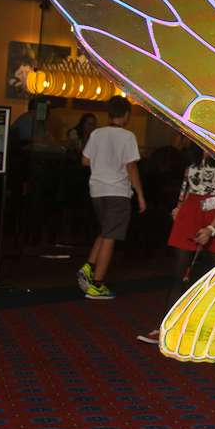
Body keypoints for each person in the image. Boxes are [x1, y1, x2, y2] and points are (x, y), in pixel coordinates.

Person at [137, 145, 215, 344]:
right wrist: (179, 207)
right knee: (178, 275)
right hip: (191, 210)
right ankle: (166, 330)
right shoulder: (193, 155)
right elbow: (187, 187)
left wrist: (212, 229)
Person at [76, 96, 146, 299]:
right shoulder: (128, 137)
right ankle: (97, 285)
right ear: (126, 114)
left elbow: (85, 160)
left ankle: (89, 267)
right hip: (117, 191)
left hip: (97, 190)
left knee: (106, 230)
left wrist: (103, 164)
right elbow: (131, 167)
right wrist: (140, 194)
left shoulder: (97, 133)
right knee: (110, 236)